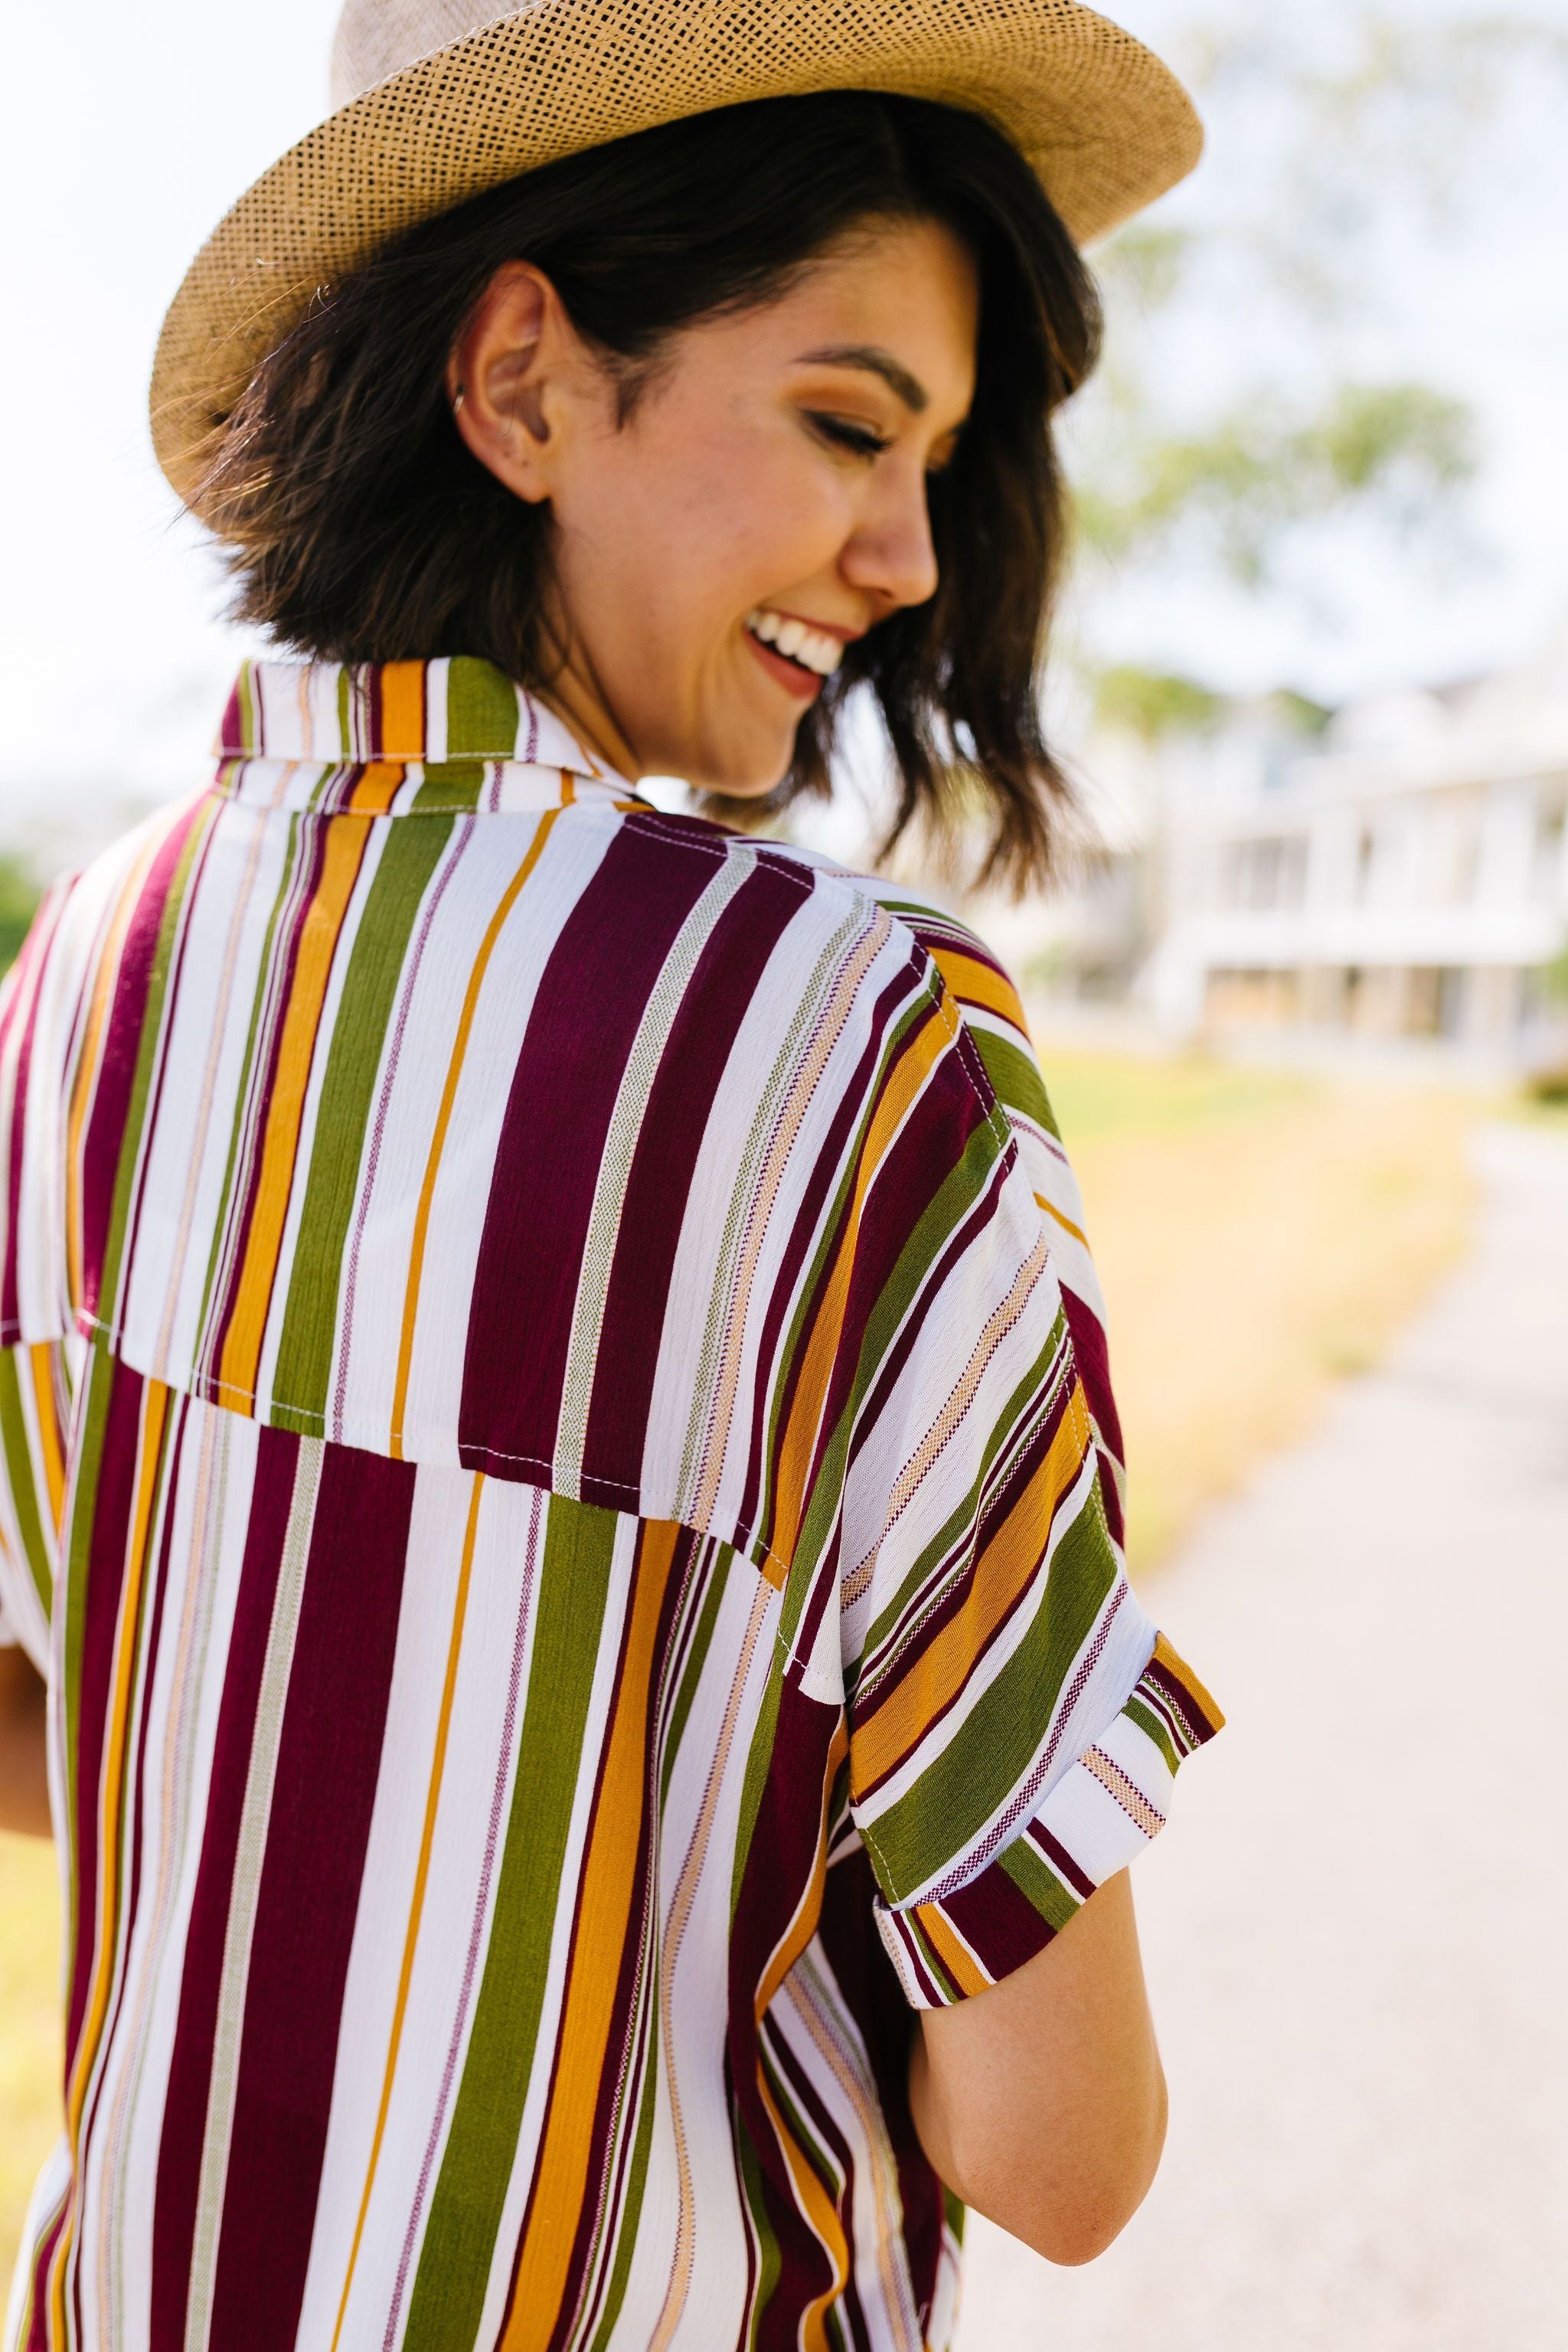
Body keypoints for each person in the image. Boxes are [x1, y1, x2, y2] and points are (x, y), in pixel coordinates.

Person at [0, 5, 1223, 2347]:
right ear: (528, 379)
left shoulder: (88, 963)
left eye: (944, 464)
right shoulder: (855, 1044)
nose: (906, 554)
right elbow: (1063, 2150)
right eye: (853, 423)